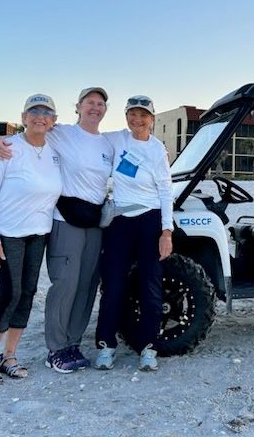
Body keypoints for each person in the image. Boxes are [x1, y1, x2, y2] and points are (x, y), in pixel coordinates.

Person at [0, 87, 113, 373]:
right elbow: (25, 135)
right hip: (65, 220)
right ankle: (56, 348)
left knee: (86, 285)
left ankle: (73, 343)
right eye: (89, 103)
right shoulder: (62, 133)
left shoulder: (109, 144)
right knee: (66, 283)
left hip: (94, 223)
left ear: (105, 109)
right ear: (78, 107)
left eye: (100, 103)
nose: (95, 108)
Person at [0, 94, 62, 386]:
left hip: (39, 234)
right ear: (24, 116)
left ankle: (9, 355)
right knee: (8, 294)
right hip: (7, 235)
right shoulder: (8, 148)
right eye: (34, 111)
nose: (40, 116)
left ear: (54, 120)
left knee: (27, 293)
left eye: (47, 112)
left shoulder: (55, 150)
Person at [94, 95, 173, 372]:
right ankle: (106, 345)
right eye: (132, 114)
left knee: (150, 285)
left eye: (143, 115)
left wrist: (166, 231)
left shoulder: (157, 150)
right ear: (126, 116)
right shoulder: (116, 140)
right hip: (120, 221)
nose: (137, 120)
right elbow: (83, 136)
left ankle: (148, 348)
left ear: (152, 118)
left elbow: (165, 191)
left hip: (149, 220)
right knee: (113, 285)